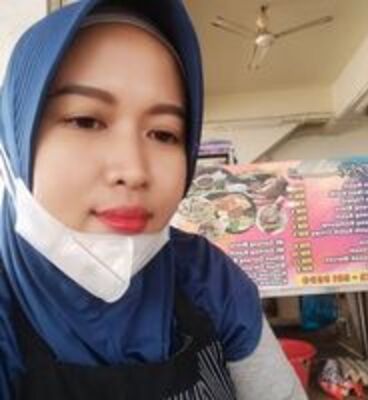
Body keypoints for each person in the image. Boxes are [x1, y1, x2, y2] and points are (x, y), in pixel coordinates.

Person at [0, 1, 307, 398]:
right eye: (86, 121)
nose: (134, 170)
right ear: (16, 136)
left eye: (163, 134)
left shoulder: (208, 279)